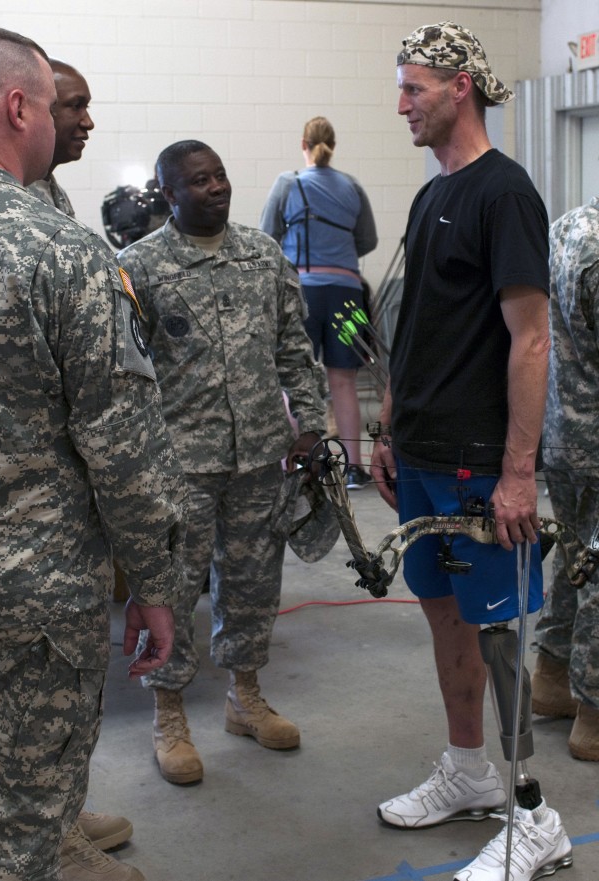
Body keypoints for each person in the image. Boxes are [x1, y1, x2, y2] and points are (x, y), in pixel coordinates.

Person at [0, 26, 187, 881]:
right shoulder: (62, 251)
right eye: (55, 104)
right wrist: (157, 588)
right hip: (27, 604)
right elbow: (123, 449)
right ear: (20, 108)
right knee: (15, 832)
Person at [370, 21, 572, 881]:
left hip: (478, 458)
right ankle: (467, 771)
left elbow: (531, 339)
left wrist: (519, 471)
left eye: (414, 86)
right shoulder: (430, 196)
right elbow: (416, 325)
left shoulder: (505, 193)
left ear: (462, 87)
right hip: (420, 448)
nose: (402, 101)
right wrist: (387, 422)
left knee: (497, 631)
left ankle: (534, 816)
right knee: (444, 616)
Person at [118, 140, 326, 786]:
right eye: (199, 181)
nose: (216, 188)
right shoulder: (139, 267)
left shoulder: (262, 256)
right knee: (174, 592)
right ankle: (170, 712)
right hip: (181, 462)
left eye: (221, 176)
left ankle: (245, 695)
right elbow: (125, 372)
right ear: (171, 195)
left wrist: (312, 423)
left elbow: (295, 343)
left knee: (253, 584)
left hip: (261, 453)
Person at [26, 54, 138, 872]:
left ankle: (57, 811)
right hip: (19, 504)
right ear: (22, 107)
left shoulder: (52, 200)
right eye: (75, 106)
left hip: (56, 501)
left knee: (56, 688)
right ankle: (44, 839)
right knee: (23, 693)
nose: (87, 121)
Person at [260, 116, 378, 489]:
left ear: (303, 144)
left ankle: (293, 465)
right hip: (348, 294)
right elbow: (368, 240)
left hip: (303, 292)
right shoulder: (352, 186)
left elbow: (267, 235)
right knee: (344, 380)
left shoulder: (288, 182)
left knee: (295, 379)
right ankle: (355, 467)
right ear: (333, 144)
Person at [531, 195, 599, 761]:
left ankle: (552, 679)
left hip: (561, 430)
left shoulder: (567, 226)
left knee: (573, 559)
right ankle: (594, 715)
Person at [28, 58, 93, 216]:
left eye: (86, 107)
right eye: (76, 106)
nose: (89, 123)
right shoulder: (5, 194)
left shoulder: (55, 193)